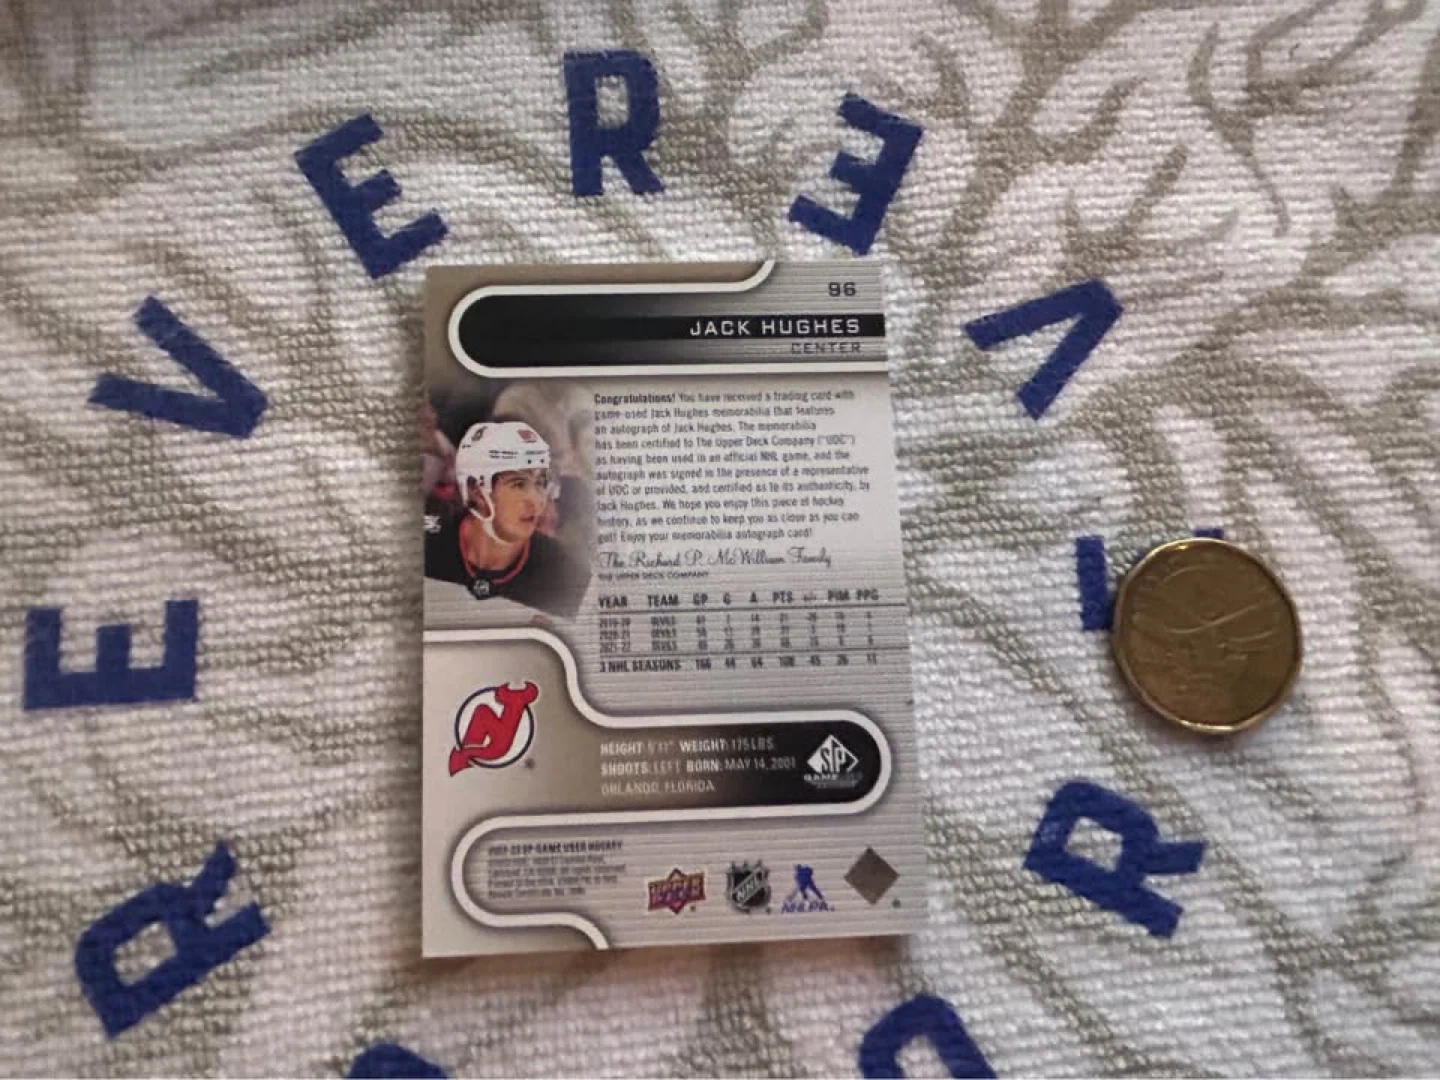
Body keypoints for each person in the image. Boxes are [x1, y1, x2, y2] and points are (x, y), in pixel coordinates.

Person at [424, 421, 591, 618]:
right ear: (476, 490)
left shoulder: (567, 573)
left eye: (540, 483)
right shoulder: (423, 544)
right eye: (519, 484)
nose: (537, 501)